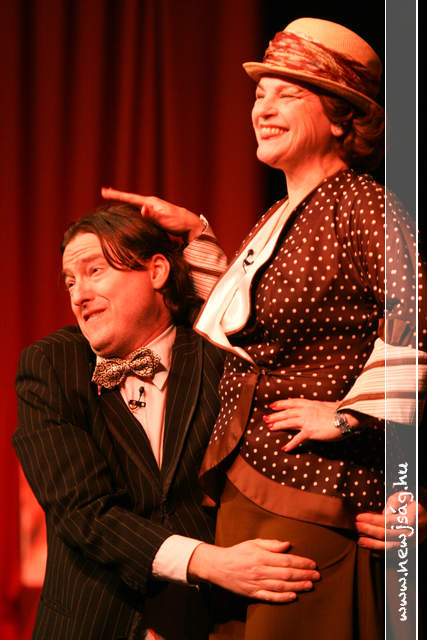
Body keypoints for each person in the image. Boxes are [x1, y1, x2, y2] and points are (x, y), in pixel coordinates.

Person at [105, 17, 427, 640]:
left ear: (340, 118)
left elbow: (414, 315)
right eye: (260, 94)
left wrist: (350, 417)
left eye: (288, 93)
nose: (264, 108)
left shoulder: (361, 203)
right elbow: (250, 322)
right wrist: (198, 239)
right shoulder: (279, 215)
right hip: (246, 477)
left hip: (312, 488)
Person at [13, 203, 321, 640]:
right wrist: (211, 563)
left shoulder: (214, 352)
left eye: (95, 271)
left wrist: (198, 236)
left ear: (156, 271)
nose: (78, 294)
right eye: (70, 281)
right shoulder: (50, 365)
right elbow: (82, 511)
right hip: (95, 623)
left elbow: (267, 333)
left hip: (207, 623)